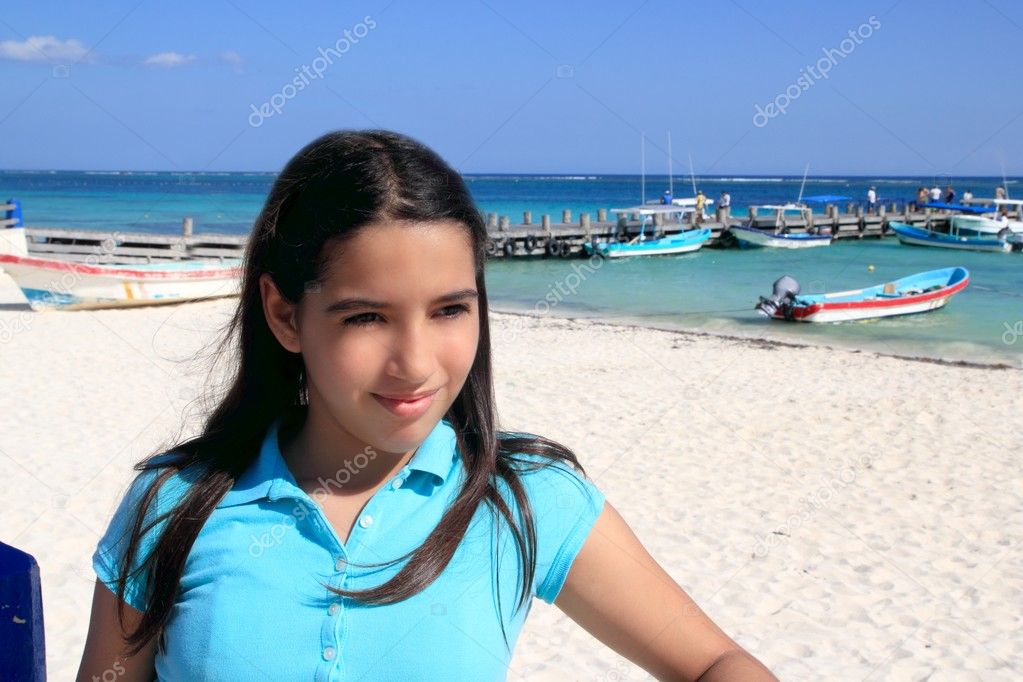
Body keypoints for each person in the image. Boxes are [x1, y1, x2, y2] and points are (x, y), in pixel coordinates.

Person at [77, 130, 778, 681]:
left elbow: (714, 663)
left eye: (448, 310)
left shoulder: (522, 499)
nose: (414, 362)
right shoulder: (174, 505)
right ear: (284, 315)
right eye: (364, 318)